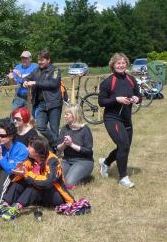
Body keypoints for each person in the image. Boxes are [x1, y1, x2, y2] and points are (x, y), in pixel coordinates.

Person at [0, 136, 75, 221]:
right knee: (20, 181)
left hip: (55, 196)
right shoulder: (31, 158)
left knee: (36, 186)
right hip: (40, 197)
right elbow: (25, 170)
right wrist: (19, 171)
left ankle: (17, 208)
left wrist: (27, 174)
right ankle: (5, 204)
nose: (27, 148)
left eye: (29, 147)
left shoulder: (52, 161)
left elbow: (47, 182)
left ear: (37, 152)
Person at [97, 53, 141, 188]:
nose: (121, 65)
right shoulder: (107, 82)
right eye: (118, 63)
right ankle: (123, 178)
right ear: (113, 65)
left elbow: (139, 95)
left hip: (126, 118)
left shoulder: (131, 79)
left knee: (124, 147)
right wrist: (116, 99)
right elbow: (101, 102)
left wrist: (136, 98)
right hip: (112, 118)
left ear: (126, 64)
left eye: (123, 63)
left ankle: (105, 163)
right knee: (123, 145)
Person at [23, 50, 63, 146]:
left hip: (54, 103)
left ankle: (55, 149)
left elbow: (53, 83)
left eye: (42, 60)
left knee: (54, 129)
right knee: (40, 126)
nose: (39, 62)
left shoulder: (56, 70)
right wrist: (25, 81)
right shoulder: (36, 70)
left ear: (48, 60)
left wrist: (36, 83)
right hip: (40, 104)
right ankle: (58, 143)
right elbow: (28, 77)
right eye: (38, 60)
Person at [56, 104, 94, 188]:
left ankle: (86, 177)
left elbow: (88, 151)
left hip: (83, 161)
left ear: (74, 115)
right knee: (56, 179)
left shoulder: (85, 129)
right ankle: (74, 173)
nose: (65, 116)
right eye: (65, 114)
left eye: (67, 114)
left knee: (69, 183)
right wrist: (64, 144)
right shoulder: (64, 128)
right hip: (67, 160)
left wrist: (71, 144)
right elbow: (58, 148)